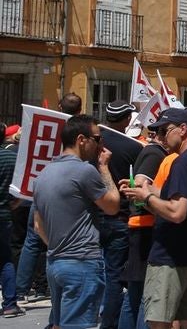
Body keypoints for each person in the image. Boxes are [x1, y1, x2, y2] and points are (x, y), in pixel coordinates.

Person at [121, 107, 187, 329]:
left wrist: (146, 198)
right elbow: (177, 199)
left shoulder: (183, 162)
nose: (160, 137)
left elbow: (176, 212)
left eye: (165, 130)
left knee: (159, 321)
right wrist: (145, 190)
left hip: (171, 256)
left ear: (183, 129)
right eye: (157, 132)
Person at [33, 114, 120, 329]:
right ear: (82, 139)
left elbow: (38, 226)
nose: (101, 145)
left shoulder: (43, 174)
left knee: (59, 323)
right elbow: (112, 206)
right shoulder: (84, 171)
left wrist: (57, 246)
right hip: (82, 262)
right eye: (98, 139)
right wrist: (104, 168)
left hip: (55, 262)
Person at [119, 126, 169, 329]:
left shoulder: (155, 152)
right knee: (143, 295)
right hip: (145, 228)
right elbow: (139, 184)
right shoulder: (154, 153)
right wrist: (153, 204)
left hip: (142, 226)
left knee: (136, 294)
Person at [99, 99, 140, 329]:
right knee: (115, 275)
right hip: (120, 218)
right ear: (126, 119)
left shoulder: (95, 141)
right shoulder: (133, 147)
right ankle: (109, 323)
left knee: (94, 272)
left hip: (94, 217)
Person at [0, 124, 20, 318]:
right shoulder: (11, 158)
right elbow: (21, 184)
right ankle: (9, 303)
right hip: (4, 213)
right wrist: (15, 202)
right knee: (5, 259)